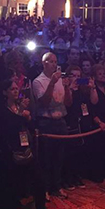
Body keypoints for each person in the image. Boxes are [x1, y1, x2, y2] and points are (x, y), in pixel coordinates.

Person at [0, 79, 59, 209]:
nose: (16, 91)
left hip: (26, 149)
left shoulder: (19, 106)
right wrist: (21, 114)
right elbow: (8, 127)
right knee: (12, 186)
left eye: (17, 88)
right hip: (10, 152)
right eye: (12, 89)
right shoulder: (1, 109)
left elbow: (29, 126)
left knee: (39, 183)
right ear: (5, 92)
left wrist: (27, 118)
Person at [32, 52, 72, 199]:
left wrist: (67, 88)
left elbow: (68, 103)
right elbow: (44, 102)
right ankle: (45, 189)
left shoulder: (60, 79)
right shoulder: (38, 81)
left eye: (56, 61)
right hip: (46, 123)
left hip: (60, 121)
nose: (54, 64)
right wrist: (52, 83)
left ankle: (57, 186)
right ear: (44, 63)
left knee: (59, 157)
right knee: (46, 158)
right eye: (51, 61)